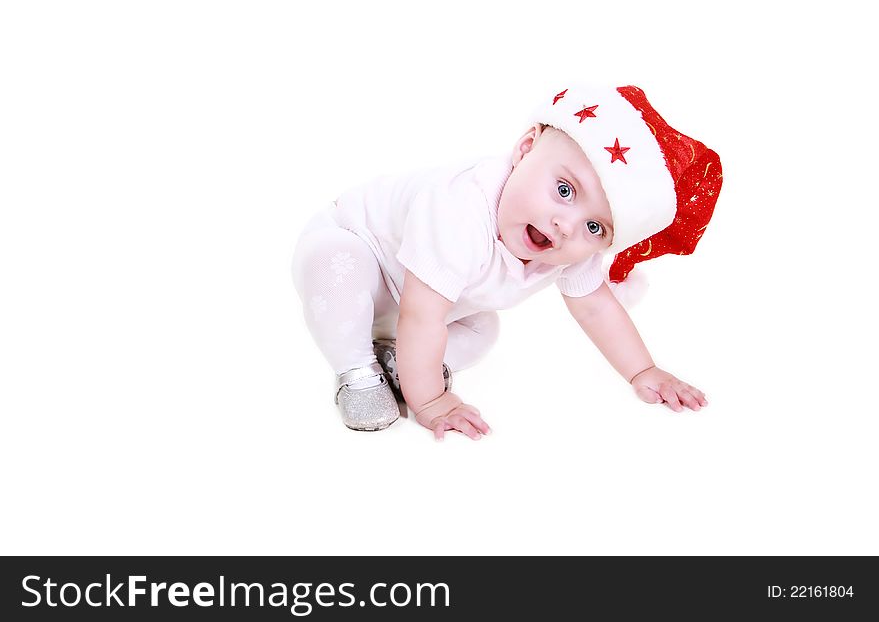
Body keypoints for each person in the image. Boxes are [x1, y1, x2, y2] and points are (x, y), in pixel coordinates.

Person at [291, 85, 722, 440]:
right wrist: (431, 403)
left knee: (483, 330)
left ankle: (397, 361)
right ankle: (358, 370)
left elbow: (595, 305)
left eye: (596, 227)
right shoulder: (459, 209)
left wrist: (643, 371)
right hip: (368, 260)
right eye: (565, 191)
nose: (567, 225)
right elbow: (422, 317)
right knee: (335, 265)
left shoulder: (566, 248)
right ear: (525, 148)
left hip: (423, 303)